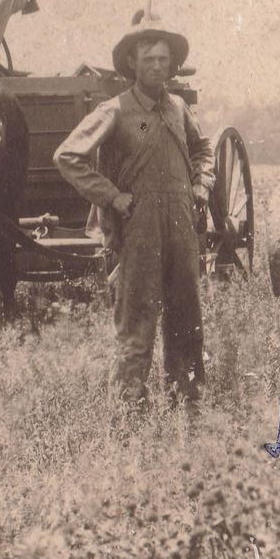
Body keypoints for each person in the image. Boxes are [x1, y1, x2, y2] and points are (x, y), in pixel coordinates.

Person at [53, 24, 213, 411]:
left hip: (181, 225)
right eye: (149, 60)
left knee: (187, 317)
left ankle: (187, 403)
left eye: (163, 59)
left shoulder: (177, 107)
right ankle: (129, 412)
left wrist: (201, 185)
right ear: (132, 64)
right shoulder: (115, 110)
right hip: (139, 227)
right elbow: (67, 157)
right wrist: (111, 196)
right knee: (137, 321)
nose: (158, 66)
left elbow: (203, 149)